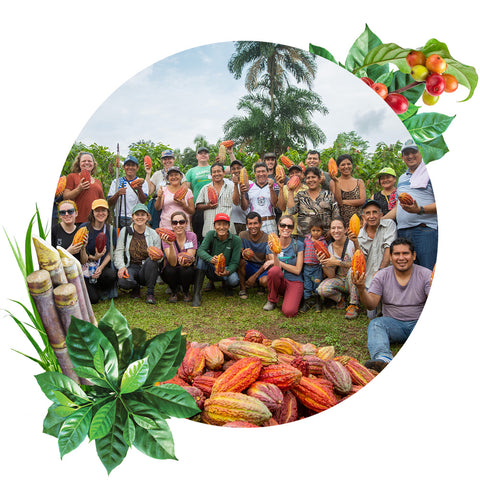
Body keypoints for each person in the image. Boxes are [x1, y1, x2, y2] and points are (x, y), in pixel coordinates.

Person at [351, 237, 432, 372]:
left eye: (405, 253)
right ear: (390, 256)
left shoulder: (425, 274)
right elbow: (371, 305)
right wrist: (360, 288)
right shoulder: (381, 276)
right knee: (376, 324)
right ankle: (384, 359)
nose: (401, 258)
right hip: (393, 324)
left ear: (414, 256)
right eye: (396, 254)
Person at [385, 139, 437, 270]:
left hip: (424, 231)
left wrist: (419, 210)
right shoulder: (402, 178)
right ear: (402, 157)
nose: (410, 156)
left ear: (421, 153)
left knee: (427, 271)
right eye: (406, 153)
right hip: (403, 232)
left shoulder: (431, 173)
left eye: (414, 152)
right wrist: (380, 220)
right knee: (409, 274)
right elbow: (398, 207)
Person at [113, 203, 162, 304]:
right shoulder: (125, 231)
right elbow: (118, 251)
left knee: (152, 262)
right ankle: (135, 287)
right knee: (123, 282)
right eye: (137, 214)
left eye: (143, 214)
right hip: (131, 266)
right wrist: (121, 267)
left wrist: (156, 256)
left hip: (146, 267)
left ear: (147, 217)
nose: (140, 217)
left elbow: (160, 257)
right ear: (133, 216)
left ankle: (150, 293)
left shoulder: (153, 234)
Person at [356, 199, 397, 318]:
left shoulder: (389, 224)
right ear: (363, 216)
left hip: (387, 275)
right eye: (368, 213)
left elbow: (389, 248)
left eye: (375, 212)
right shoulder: (360, 234)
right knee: (371, 316)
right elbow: (361, 257)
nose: (372, 216)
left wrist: (381, 271)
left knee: (389, 314)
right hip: (369, 279)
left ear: (381, 215)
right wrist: (355, 242)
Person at [192, 213, 242, 307]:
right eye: (219, 224)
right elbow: (200, 251)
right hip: (212, 268)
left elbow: (235, 262)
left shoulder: (236, 240)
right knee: (202, 260)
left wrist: (227, 271)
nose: (222, 227)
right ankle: (197, 293)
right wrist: (211, 259)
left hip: (226, 268)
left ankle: (227, 286)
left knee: (234, 280)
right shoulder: (210, 234)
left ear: (229, 226)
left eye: (224, 224)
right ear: (214, 226)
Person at [316, 217, 360, 319]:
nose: (336, 231)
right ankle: (341, 299)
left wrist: (337, 262)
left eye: (339, 228)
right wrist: (323, 263)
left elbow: (358, 265)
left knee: (353, 271)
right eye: (333, 228)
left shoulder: (352, 243)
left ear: (345, 229)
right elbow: (331, 275)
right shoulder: (330, 247)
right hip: (340, 280)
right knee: (321, 289)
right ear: (330, 231)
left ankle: (353, 304)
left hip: (352, 279)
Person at [262, 215, 304, 317]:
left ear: (293, 229)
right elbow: (277, 268)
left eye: (289, 226)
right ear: (278, 226)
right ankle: (272, 300)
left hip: (294, 280)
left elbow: (298, 270)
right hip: (280, 281)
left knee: (289, 312)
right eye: (283, 225)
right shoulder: (270, 246)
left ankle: (293, 296)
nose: (286, 228)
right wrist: (275, 255)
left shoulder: (298, 245)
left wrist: (276, 262)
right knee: (274, 271)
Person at [78, 199, 117, 304]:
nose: (101, 213)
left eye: (103, 210)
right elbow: (80, 253)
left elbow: (110, 252)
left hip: (100, 268)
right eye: (97, 210)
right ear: (93, 213)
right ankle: (91, 290)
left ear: (108, 213)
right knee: (93, 300)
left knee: (111, 274)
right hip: (85, 267)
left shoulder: (110, 229)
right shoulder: (84, 228)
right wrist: (94, 258)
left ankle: (100, 289)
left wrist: (100, 267)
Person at [286, 166, 339, 238]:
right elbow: (291, 211)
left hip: (324, 237)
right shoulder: (301, 195)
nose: (311, 180)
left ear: (319, 179)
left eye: (313, 177)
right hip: (304, 238)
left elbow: (336, 214)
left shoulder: (328, 194)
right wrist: (290, 192)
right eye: (308, 178)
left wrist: (331, 230)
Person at [160, 211, 197, 303]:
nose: (178, 225)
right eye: (174, 223)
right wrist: (171, 244)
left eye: (181, 222)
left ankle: (186, 291)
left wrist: (186, 261)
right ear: (171, 225)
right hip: (173, 268)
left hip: (186, 267)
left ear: (186, 223)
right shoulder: (166, 237)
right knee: (169, 270)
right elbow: (172, 262)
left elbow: (190, 257)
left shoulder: (192, 236)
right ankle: (174, 291)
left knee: (187, 270)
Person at [63, 151, 105, 224]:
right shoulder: (72, 176)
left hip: (95, 221)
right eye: (83, 161)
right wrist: (79, 189)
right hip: (77, 220)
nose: (87, 163)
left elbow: (101, 202)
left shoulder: (97, 182)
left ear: (93, 164)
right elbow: (65, 196)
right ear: (79, 164)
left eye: (89, 161)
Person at [195, 162, 236, 238]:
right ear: (211, 175)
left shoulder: (231, 187)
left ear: (224, 173)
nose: (217, 174)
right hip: (210, 230)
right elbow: (198, 206)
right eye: (214, 172)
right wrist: (207, 206)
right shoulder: (205, 188)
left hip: (227, 230)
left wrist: (236, 185)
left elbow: (236, 202)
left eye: (219, 171)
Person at [107, 155, 149, 228]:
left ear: (137, 168)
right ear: (124, 167)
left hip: (134, 217)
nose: (130, 167)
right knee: (119, 238)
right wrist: (117, 194)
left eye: (133, 165)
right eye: (128, 165)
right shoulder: (116, 181)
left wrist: (139, 189)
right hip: (119, 216)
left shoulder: (142, 182)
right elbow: (110, 202)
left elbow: (143, 200)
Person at [237, 212, 269, 299]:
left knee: (265, 281)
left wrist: (255, 276)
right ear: (246, 225)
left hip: (262, 266)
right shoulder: (242, 235)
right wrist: (243, 253)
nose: (253, 226)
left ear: (261, 224)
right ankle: (243, 288)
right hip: (249, 265)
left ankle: (259, 285)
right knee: (239, 261)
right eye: (250, 224)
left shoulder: (267, 238)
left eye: (255, 223)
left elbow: (267, 261)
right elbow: (239, 252)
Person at [329, 154, 366, 226]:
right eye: (343, 165)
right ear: (338, 168)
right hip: (340, 223)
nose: (346, 167)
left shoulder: (359, 182)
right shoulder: (333, 182)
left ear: (352, 165)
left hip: (358, 222)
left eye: (349, 164)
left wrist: (344, 201)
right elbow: (337, 202)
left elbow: (362, 201)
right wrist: (336, 182)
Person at [185, 146, 212, 244]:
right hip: (198, 207)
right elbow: (186, 190)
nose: (203, 155)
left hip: (213, 206)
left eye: (205, 153)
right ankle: (197, 256)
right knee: (198, 234)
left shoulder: (214, 168)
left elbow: (233, 168)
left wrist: (230, 153)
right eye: (201, 153)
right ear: (197, 156)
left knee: (212, 233)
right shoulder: (191, 171)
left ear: (208, 156)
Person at [299, 219, 327, 313]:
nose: (316, 233)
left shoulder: (323, 242)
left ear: (322, 231)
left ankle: (318, 302)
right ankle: (307, 302)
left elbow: (325, 255)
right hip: (307, 267)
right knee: (307, 285)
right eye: (313, 230)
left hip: (317, 267)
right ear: (310, 231)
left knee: (317, 285)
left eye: (318, 230)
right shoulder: (306, 240)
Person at [155, 166, 194, 230]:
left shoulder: (188, 191)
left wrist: (184, 205)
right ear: (168, 178)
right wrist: (159, 197)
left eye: (176, 175)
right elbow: (157, 208)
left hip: (183, 226)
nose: (174, 177)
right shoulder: (164, 190)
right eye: (171, 175)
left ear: (181, 177)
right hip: (167, 226)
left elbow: (192, 211)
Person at [245, 162, 278, 234]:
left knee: (272, 244)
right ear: (254, 174)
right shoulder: (249, 187)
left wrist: (271, 188)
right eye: (258, 172)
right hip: (253, 223)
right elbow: (245, 207)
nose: (261, 174)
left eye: (263, 171)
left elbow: (275, 204)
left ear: (267, 172)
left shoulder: (274, 185)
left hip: (269, 221)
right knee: (252, 245)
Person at [276, 163, 307, 236]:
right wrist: (280, 188)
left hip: (302, 229)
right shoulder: (284, 188)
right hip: (286, 228)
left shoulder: (307, 189)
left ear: (302, 174)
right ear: (289, 176)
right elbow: (282, 207)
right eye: (292, 173)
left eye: (297, 172)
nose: (294, 175)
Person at [229, 159, 251, 234]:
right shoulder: (227, 183)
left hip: (244, 221)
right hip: (231, 222)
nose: (236, 170)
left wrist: (242, 193)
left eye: (238, 168)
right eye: (233, 169)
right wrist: (235, 184)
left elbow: (245, 207)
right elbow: (235, 202)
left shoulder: (250, 184)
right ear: (230, 171)